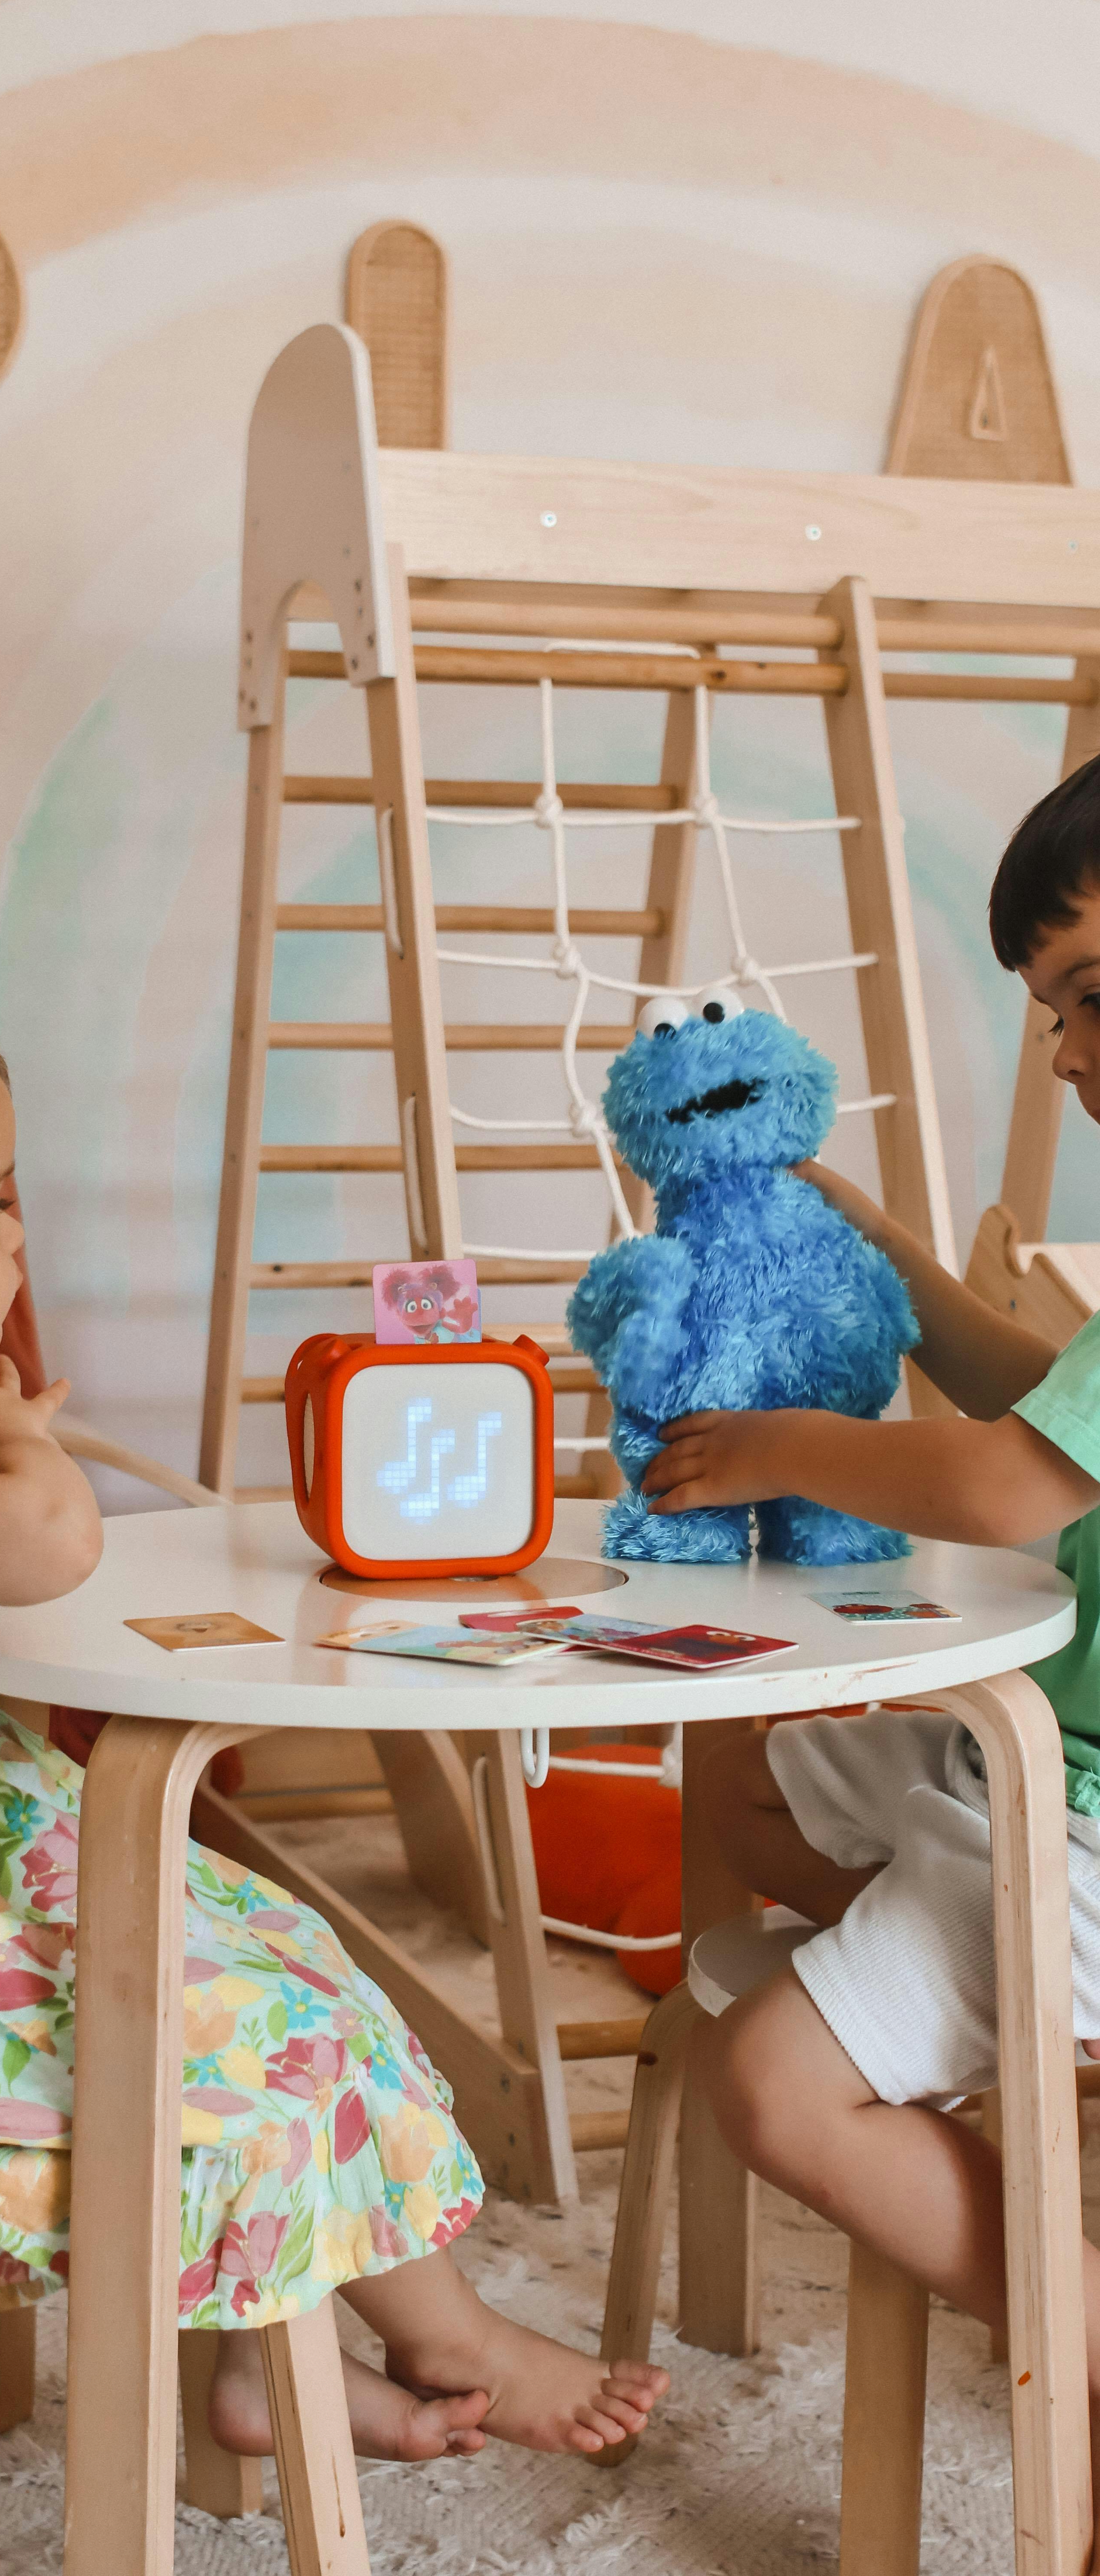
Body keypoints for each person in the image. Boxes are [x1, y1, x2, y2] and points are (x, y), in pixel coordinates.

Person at [0, 803, 666, 2463]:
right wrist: (13, 1444)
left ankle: (274, 2362)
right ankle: (443, 2336)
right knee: (265, 2009)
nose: (18, 1240)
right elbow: (44, 1549)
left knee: (257, 1958)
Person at [638, 751, 1100, 2531]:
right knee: (748, 1793)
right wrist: (873, 1250)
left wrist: (774, 1450)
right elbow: (1025, 1398)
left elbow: (1000, 1491)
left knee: (775, 2088)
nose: (1061, 1058)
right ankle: (963, 2005)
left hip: (1075, 1826)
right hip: (1025, 1767)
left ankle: (1067, 2321)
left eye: (1083, 1001)